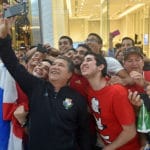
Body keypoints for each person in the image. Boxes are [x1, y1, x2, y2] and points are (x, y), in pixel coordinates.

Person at [0, 18, 91, 150]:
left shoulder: (78, 99)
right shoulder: (36, 87)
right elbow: (13, 64)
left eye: (61, 65)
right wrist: (4, 38)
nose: (55, 67)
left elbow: (83, 134)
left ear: (70, 74)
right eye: (54, 64)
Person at [80, 51, 140, 149]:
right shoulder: (89, 90)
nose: (83, 63)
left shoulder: (116, 91)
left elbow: (130, 132)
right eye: (83, 61)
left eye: (89, 60)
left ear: (100, 67)